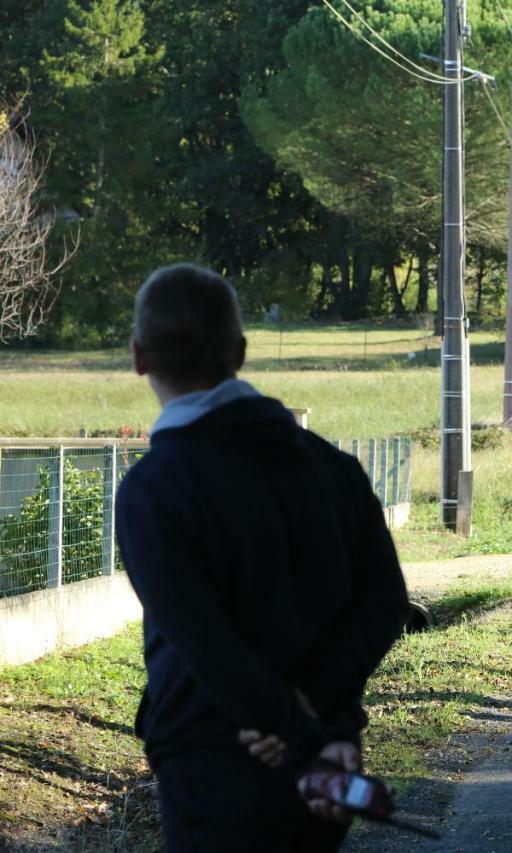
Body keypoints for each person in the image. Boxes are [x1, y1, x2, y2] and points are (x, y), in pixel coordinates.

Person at [116, 263, 411, 852]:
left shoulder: (155, 487)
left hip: (212, 760)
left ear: (139, 357)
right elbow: (385, 606)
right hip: (329, 761)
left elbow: (205, 643)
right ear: (241, 353)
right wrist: (318, 721)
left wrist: (292, 731)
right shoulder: (333, 468)